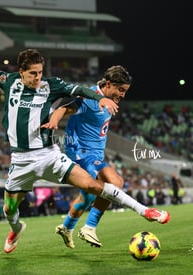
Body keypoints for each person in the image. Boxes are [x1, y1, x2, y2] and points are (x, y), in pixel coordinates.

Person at [0, 10, 170, 254]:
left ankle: (145, 211)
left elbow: (80, 90)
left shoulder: (51, 86)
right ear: (21, 72)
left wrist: (99, 99)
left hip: (49, 154)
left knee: (93, 186)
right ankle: (16, 229)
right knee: (9, 209)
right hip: (20, 160)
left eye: (40, 72)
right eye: (33, 74)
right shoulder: (8, 81)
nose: (38, 78)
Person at [47, 66, 169, 248]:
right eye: (121, 90)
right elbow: (66, 109)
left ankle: (66, 227)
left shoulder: (105, 95)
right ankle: (90, 227)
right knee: (115, 182)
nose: (123, 95)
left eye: (125, 91)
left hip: (95, 153)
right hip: (81, 153)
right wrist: (54, 120)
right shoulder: (89, 99)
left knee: (87, 198)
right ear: (109, 84)